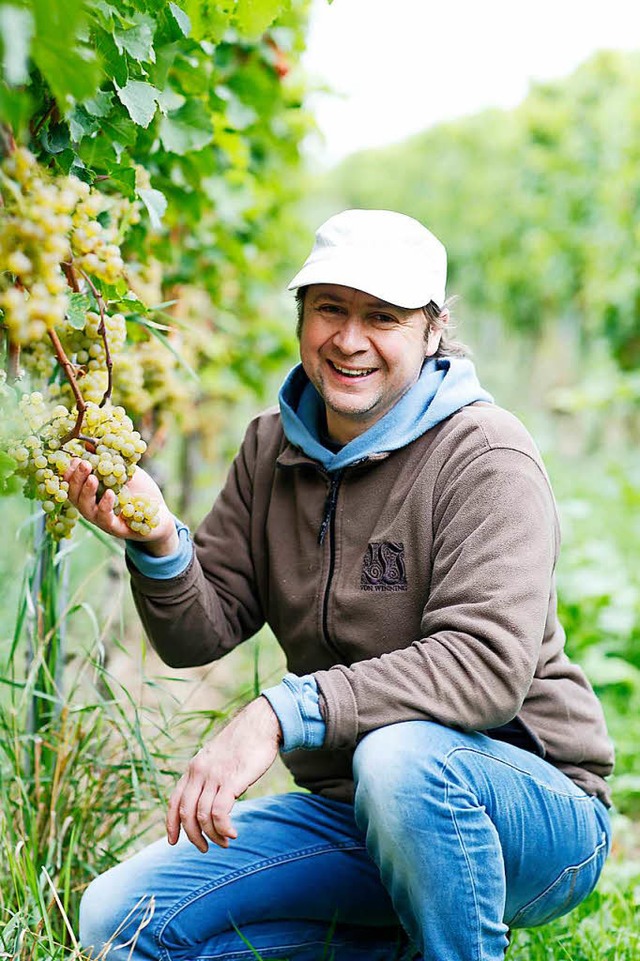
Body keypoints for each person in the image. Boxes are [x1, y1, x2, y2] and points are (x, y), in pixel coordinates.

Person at [70, 209, 614, 961]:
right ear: (302, 316)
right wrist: (159, 539)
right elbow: (201, 630)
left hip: (530, 811)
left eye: (382, 317)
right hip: (354, 815)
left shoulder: (487, 456)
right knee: (116, 921)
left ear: (432, 330)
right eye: (330, 308)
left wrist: (278, 712)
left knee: (400, 760)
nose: (350, 339)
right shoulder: (272, 447)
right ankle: (400, 937)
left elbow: (485, 667)